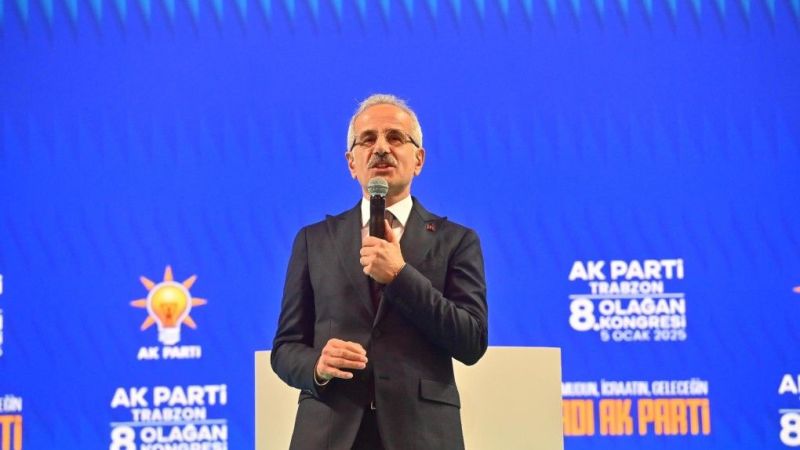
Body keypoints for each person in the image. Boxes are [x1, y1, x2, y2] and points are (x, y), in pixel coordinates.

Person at [271, 94, 489, 450]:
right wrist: (317, 366)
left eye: (396, 137)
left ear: (418, 160)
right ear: (351, 163)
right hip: (329, 433)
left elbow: (471, 341)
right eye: (368, 139)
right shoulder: (314, 241)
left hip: (422, 434)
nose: (381, 148)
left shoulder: (456, 241)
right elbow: (284, 349)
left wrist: (400, 276)